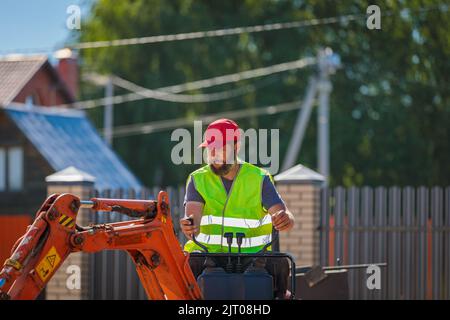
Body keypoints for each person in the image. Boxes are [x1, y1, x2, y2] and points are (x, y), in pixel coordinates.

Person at [180, 118, 295, 299]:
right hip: (208, 256)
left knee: (280, 263)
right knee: (186, 263)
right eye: (210, 149)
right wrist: (190, 225)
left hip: (254, 257)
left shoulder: (259, 178)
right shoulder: (197, 179)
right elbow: (193, 217)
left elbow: (283, 215)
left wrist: (286, 218)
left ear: (237, 146)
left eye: (221, 148)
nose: (215, 154)